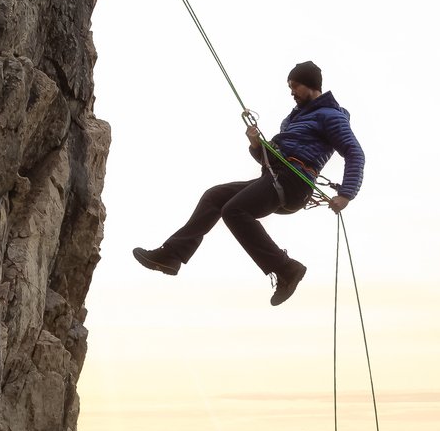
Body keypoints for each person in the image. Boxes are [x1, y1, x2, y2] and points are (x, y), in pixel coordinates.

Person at [132, 61, 366, 305]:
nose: (291, 92)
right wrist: (257, 145)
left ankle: (286, 268)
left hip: (294, 182)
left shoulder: (330, 116)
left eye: (295, 86)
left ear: (310, 85)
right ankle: (172, 255)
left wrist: (346, 194)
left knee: (234, 210)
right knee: (215, 196)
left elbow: (354, 152)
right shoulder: (295, 119)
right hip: (277, 177)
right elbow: (271, 160)